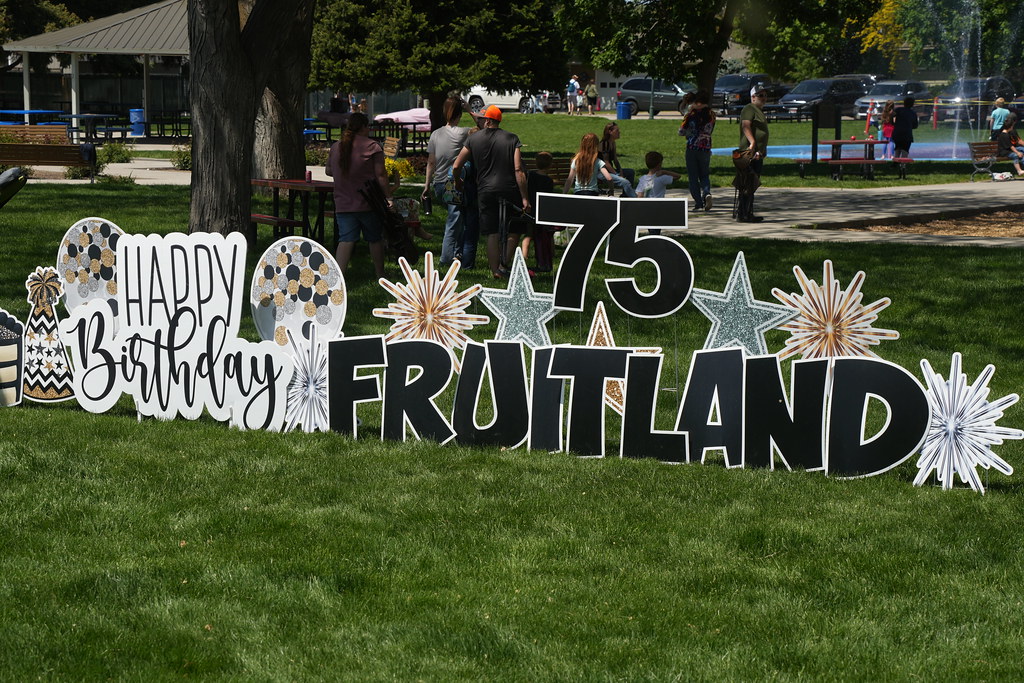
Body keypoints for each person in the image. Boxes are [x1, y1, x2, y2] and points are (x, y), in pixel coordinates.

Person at [452, 105, 529, 279]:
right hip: (509, 188)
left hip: (485, 190)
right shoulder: (511, 138)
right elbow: (518, 169)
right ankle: (503, 266)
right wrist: (525, 197)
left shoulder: (473, 139)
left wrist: (458, 182)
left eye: (481, 118)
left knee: (492, 233)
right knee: (515, 228)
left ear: (487, 120)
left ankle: (495, 271)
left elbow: (457, 165)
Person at [326, 112, 390, 278]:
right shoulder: (372, 146)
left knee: (346, 239)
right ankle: (380, 274)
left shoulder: (336, 147)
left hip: (343, 202)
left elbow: (328, 171)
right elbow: (381, 175)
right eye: (368, 126)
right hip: (369, 201)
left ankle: (338, 278)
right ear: (363, 127)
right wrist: (388, 197)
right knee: (374, 238)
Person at [422, 96, 470, 266]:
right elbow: (484, 128)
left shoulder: (436, 134)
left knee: (458, 219)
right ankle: (445, 259)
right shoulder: (464, 132)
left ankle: (457, 253)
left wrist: (427, 185)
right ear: (460, 113)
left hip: (439, 184)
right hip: (453, 182)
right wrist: (471, 109)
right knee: (454, 220)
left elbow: (431, 162)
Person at [507, 151, 556, 272]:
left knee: (528, 234)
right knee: (546, 234)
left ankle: (524, 254)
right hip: (542, 210)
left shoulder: (531, 175)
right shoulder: (548, 181)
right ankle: (550, 254)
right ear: (550, 165)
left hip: (530, 209)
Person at [735, 86, 768, 223]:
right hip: (749, 153)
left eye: (765, 95)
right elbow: (746, 125)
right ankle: (743, 213)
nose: (763, 98)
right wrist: (753, 142)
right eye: (760, 95)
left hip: (757, 154)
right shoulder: (749, 108)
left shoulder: (758, 111)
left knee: (752, 184)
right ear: (753, 97)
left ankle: (748, 212)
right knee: (747, 184)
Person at [679, 89, 716, 211]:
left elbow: (681, 131)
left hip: (692, 147)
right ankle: (706, 193)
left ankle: (698, 203)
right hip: (705, 147)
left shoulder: (691, 115)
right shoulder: (711, 114)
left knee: (693, 176)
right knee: (704, 174)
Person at [635, 151, 681, 236]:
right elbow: (677, 176)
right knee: (656, 230)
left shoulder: (642, 179)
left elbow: (640, 195)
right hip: (658, 207)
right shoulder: (661, 178)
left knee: (651, 228)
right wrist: (664, 172)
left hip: (647, 208)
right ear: (659, 164)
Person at [599, 122, 637, 197]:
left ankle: (625, 196)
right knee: (625, 182)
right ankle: (634, 199)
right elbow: (606, 163)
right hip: (602, 172)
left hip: (610, 170)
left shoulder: (613, 143)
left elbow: (615, 160)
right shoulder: (604, 144)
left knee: (630, 172)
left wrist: (620, 170)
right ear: (610, 132)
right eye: (617, 131)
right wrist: (617, 174)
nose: (619, 132)